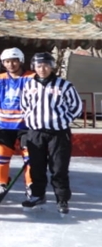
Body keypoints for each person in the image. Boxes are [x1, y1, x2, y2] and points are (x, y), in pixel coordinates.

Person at [20, 52, 82, 214]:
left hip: (58, 133)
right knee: (37, 167)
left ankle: (62, 199)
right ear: (34, 67)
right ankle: (38, 195)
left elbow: (76, 107)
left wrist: (61, 119)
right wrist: (31, 121)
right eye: (39, 65)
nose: (42, 69)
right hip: (36, 133)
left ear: (52, 66)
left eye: (46, 65)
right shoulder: (28, 85)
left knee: (59, 167)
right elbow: (24, 106)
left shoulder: (64, 85)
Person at [0, 47, 34, 199]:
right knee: (0, 154)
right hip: (4, 125)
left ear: (21, 61)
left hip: (27, 125)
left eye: (14, 61)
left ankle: (31, 186)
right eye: (7, 61)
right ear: (3, 63)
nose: (11, 64)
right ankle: (0, 183)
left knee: (30, 156)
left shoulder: (32, 78)